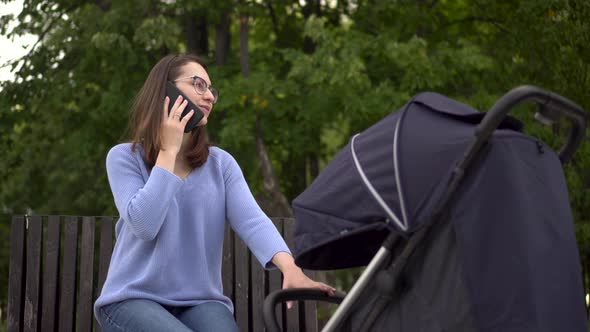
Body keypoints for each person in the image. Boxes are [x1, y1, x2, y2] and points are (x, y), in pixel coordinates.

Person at [93, 53, 336, 332]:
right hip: (131, 300)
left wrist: (291, 269)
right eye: (198, 84)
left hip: (200, 302)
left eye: (211, 89)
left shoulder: (221, 164)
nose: (209, 96)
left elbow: (252, 220)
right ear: (166, 90)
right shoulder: (125, 157)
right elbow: (144, 224)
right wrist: (168, 151)